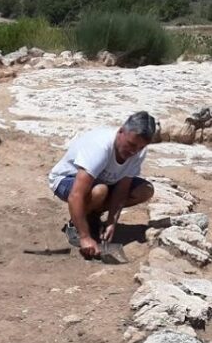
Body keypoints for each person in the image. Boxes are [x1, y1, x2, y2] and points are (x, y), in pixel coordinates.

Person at [48, 111, 157, 259]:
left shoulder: (137, 151)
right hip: (66, 179)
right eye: (131, 144)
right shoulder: (100, 147)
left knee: (145, 190)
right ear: (121, 132)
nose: (133, 151)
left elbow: (122, 188)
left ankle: (91, 215)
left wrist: (112, 221)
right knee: (100, 191)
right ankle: (75, 225)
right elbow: (76, 195)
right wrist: (85, 237)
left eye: (140, 148)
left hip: (102, 181)